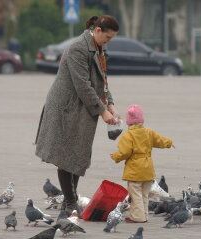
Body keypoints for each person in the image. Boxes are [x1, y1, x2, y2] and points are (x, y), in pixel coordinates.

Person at [35, 15, 120, 216]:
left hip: (83, 106)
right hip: (66, 107)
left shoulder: (99, 48)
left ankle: (68, 201)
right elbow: (83, 84)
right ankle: (71, 202)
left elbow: (102, 81)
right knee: (66, 154)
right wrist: (102, 111)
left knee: (79, 154)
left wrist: (111, 104)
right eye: (107, 38)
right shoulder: (77, 49)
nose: (108, 42)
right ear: (97, 30)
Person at [110, 105, 174, 223]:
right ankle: (144, 215)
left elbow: (125, 152)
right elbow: (160, 140)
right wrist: (169, 143)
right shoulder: (149, 132)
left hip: (135, 170)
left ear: (129, 121)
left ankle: (137, 217)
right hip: (148, 169)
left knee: (136, 195)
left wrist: (116, 156)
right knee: (145, 195)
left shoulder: (128, 136)